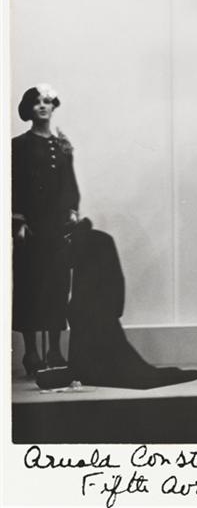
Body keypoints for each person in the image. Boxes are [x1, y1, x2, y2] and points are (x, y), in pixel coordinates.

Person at [12, 84, 80, 376]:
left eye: (47, 101)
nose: (42, 106)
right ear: (29, 109)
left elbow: (69, 182)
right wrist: (18, 222)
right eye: (36, 102)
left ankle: (54, 350)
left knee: (56, 285)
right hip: (31, 227)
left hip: (56, 226)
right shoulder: (18, 145)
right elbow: (13, 184)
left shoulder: (61, 145)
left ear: (53, 107)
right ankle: (31, 353)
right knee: (30, 286)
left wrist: (73, 211)